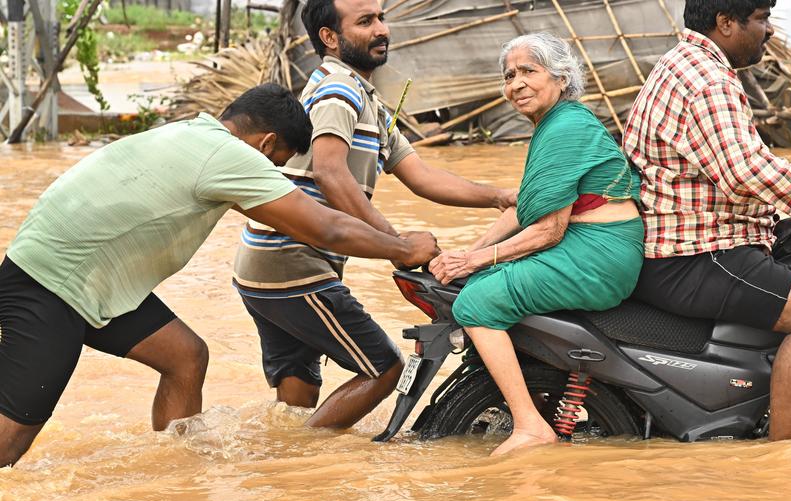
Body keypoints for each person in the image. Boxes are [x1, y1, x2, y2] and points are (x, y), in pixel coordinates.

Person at [0, 84, 439, 468]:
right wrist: (401, 247)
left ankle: (178, 474)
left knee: (185, 356)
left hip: (90, 276)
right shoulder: (230, 155)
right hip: (52, 282)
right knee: (13, 440)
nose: (273, 174)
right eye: (279, 163)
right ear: (266, 144)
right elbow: (322, 226)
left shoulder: (192, 132)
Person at [232, 0, 516, 429]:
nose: (381, 29)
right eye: (365, 22)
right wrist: (398, 247)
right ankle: (299, 459)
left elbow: (421, 176)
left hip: (265, 265)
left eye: (381, 18)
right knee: (384, 368)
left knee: (298, 390)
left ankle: (286, 478)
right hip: (294, 264)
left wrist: (500, 196)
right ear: (330, 37)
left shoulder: (365, 99)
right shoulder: (337, 92)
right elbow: (330, 173)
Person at [622, 0, 791, 441]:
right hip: (696, 250)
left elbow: (740, 160)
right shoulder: (708, 80)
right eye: (762, 19)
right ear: (726, 23)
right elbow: (744, 171)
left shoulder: (683, 62)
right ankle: (780, 454)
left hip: (687, 236)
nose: (768, 30)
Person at [429, 33, 644, 456]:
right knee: (479, 279)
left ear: (561, 78)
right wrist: (465, 256)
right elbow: (522, 209)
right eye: (509, 75)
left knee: (474, 304)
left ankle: (530, 425)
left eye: (529, 71)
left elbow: (548, 230)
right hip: (592, 245)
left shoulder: (565, 126)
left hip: (598, 254)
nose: (516, 83)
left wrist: (474, 260)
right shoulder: (556, 125)